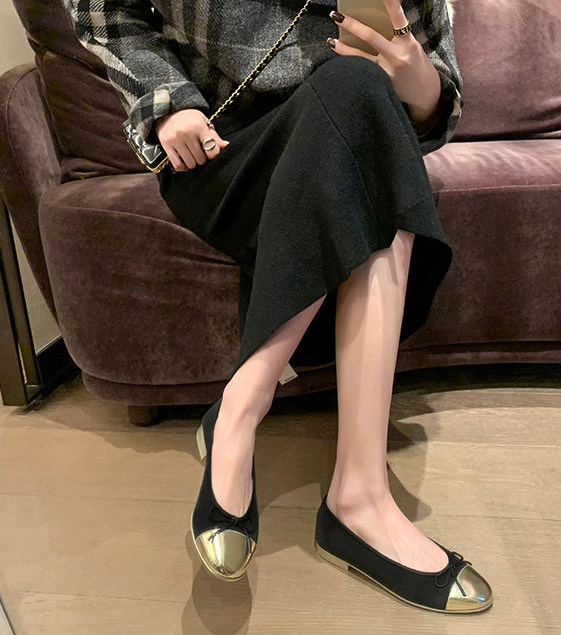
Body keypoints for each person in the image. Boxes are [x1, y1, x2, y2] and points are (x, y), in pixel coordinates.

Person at [62, 0, 493, 613]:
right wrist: (166, 101)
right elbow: (101, 8)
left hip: (357, 129)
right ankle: (324, 476)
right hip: (223, 148)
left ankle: (266, 423)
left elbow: (432, 89)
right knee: (363, 119)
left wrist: (421, 85)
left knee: (358, 90)